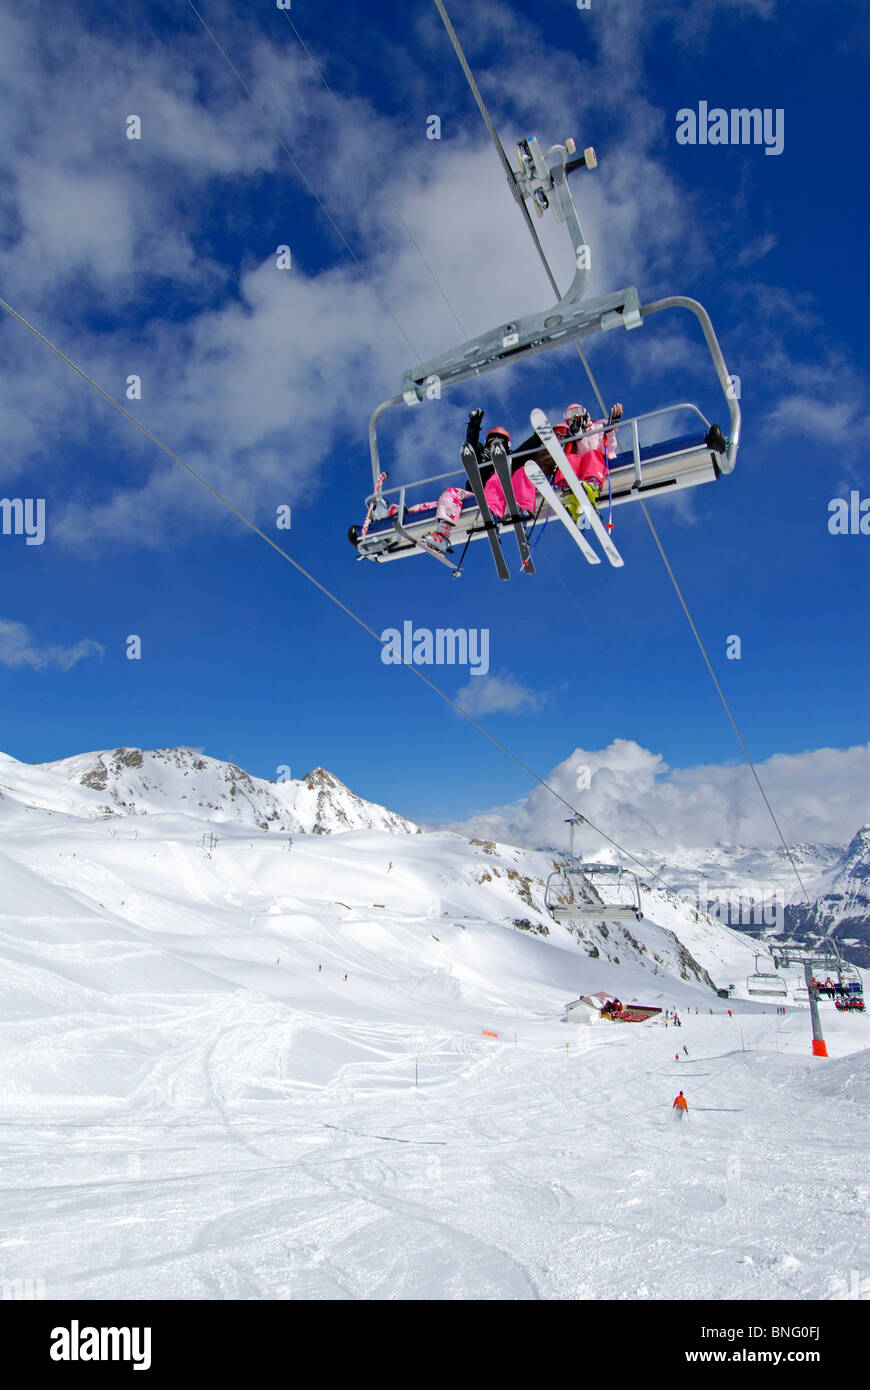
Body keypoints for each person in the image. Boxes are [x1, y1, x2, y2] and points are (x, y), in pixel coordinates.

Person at [559, 402, 623, 522]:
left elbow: (608, 447)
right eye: (571, 414)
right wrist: (576, 437)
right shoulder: (573, 438)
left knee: (592, 455)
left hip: (597, 464)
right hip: (581, 471)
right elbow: (573, 457)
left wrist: (609, 429)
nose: (575, 416)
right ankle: (570, 496)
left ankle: (592, 486)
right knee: (570, 459)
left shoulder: (597, 427)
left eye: (578, 411)